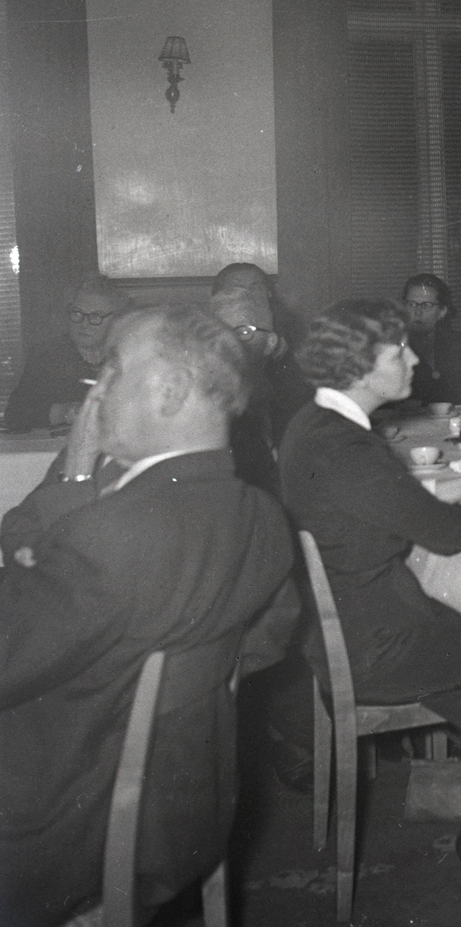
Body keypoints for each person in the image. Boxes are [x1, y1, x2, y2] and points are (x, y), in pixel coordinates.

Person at [0, 305, 297, 927]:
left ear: (169, 391)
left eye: (111, 370)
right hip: (187, 811)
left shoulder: (113, 535)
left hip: (58, 831)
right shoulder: (262, 517)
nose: (95, 389)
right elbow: (265, 642)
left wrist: (74, 474)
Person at [277, 298, 461, 881]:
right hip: (378, 648)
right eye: (400, 352)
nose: (414, 360)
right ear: (361, 367)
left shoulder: (312, 424)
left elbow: (383, 506)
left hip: (347, 631)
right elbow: (450, 536)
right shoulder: (347, 446)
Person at [208, 284, 310, 495]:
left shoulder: (296, 398)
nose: (230, 342)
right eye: (220, 330)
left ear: (271, 342)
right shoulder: (205, 404)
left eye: (244, 331)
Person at [3, 273, 130, 431]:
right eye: (77, 313)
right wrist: (64, 413)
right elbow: (15, 414)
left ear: (117, 319)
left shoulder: (130, 354)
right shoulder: (47, 355)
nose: (84, 324)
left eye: (95, 316)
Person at [403, 273, 461, 406]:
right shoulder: (392, 348)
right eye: (412, 304)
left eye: (426, 305)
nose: (417, 312)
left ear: (442, 312)